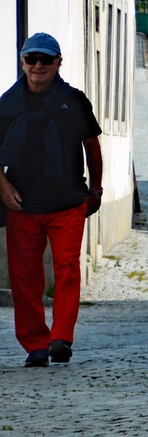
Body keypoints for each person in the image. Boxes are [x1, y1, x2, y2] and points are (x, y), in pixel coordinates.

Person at [0, 33, 102, 367]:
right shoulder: (8, 103)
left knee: (67, 269)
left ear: (58, 63)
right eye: (32, 59)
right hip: (22, 203)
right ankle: (35, 345)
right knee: (25, 276)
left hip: (68, 200)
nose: (38, 66)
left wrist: (96, 189)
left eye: (46, 59)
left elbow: (92, 146)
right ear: (23, 63)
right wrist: (2, 185)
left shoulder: (73, 101)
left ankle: (61, 337)